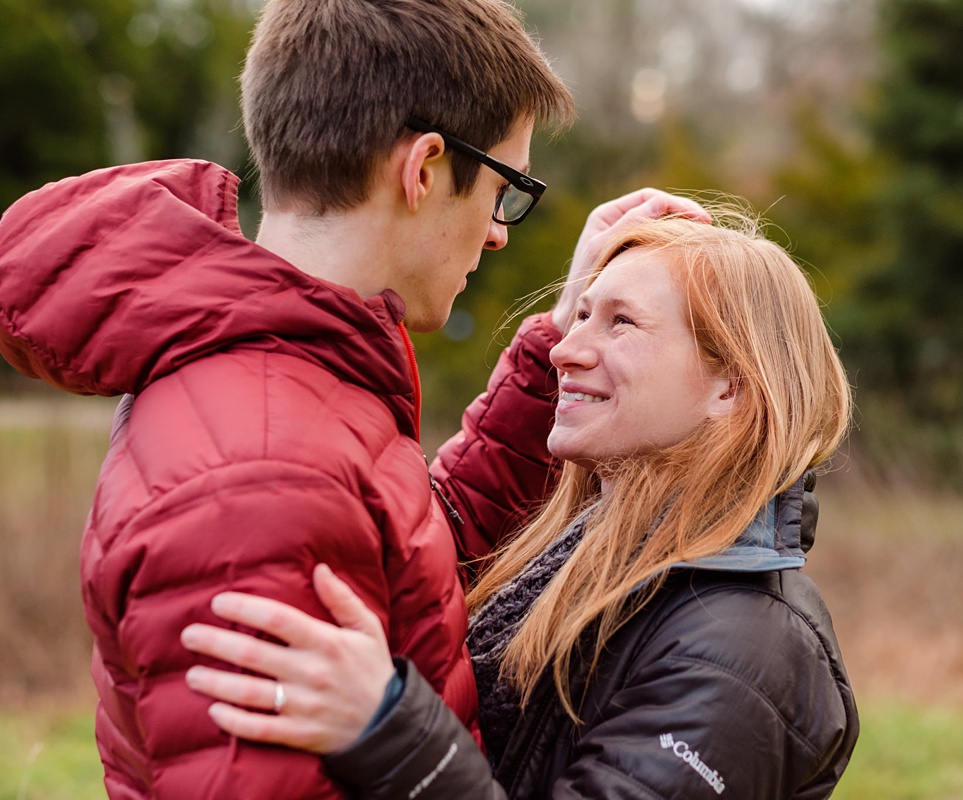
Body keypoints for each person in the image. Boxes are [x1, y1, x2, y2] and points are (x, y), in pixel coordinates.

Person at [0, 0, 706, 797]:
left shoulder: (291, 378)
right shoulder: (264, 470)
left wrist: (558, 343)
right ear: (426, 169)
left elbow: (409, 559)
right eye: (505, 187)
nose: (499, 230)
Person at [180, 207, 860, 799]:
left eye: (620, 323)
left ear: (730, 390)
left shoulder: (743, 654)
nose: (566, 349)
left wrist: (387, 727)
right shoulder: (583, 555)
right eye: (582, 314)